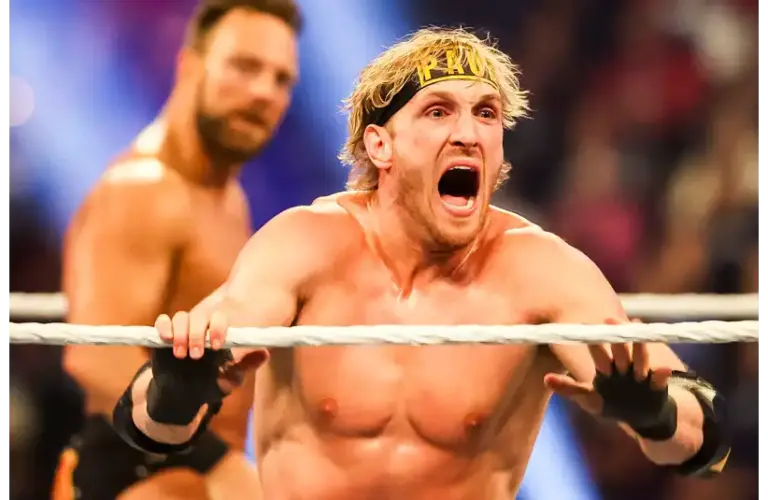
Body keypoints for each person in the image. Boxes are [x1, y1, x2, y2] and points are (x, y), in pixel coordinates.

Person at [112, 28, 730, 499]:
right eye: (438, 111)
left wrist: (654, 414)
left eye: (486, 114)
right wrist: (175, 389)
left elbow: (705, 444)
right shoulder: (305, 247)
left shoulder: (539, 271)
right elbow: (149, 428)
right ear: (381, 143)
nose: (468, 134)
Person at [53, 0, 301, 499]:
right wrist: (221, 465)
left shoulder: (227, 198)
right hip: (137, 470)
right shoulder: (142, 189)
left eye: (281, 79)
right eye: (245, 66)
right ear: (189, 64)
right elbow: (92, 357)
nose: (262, 92)